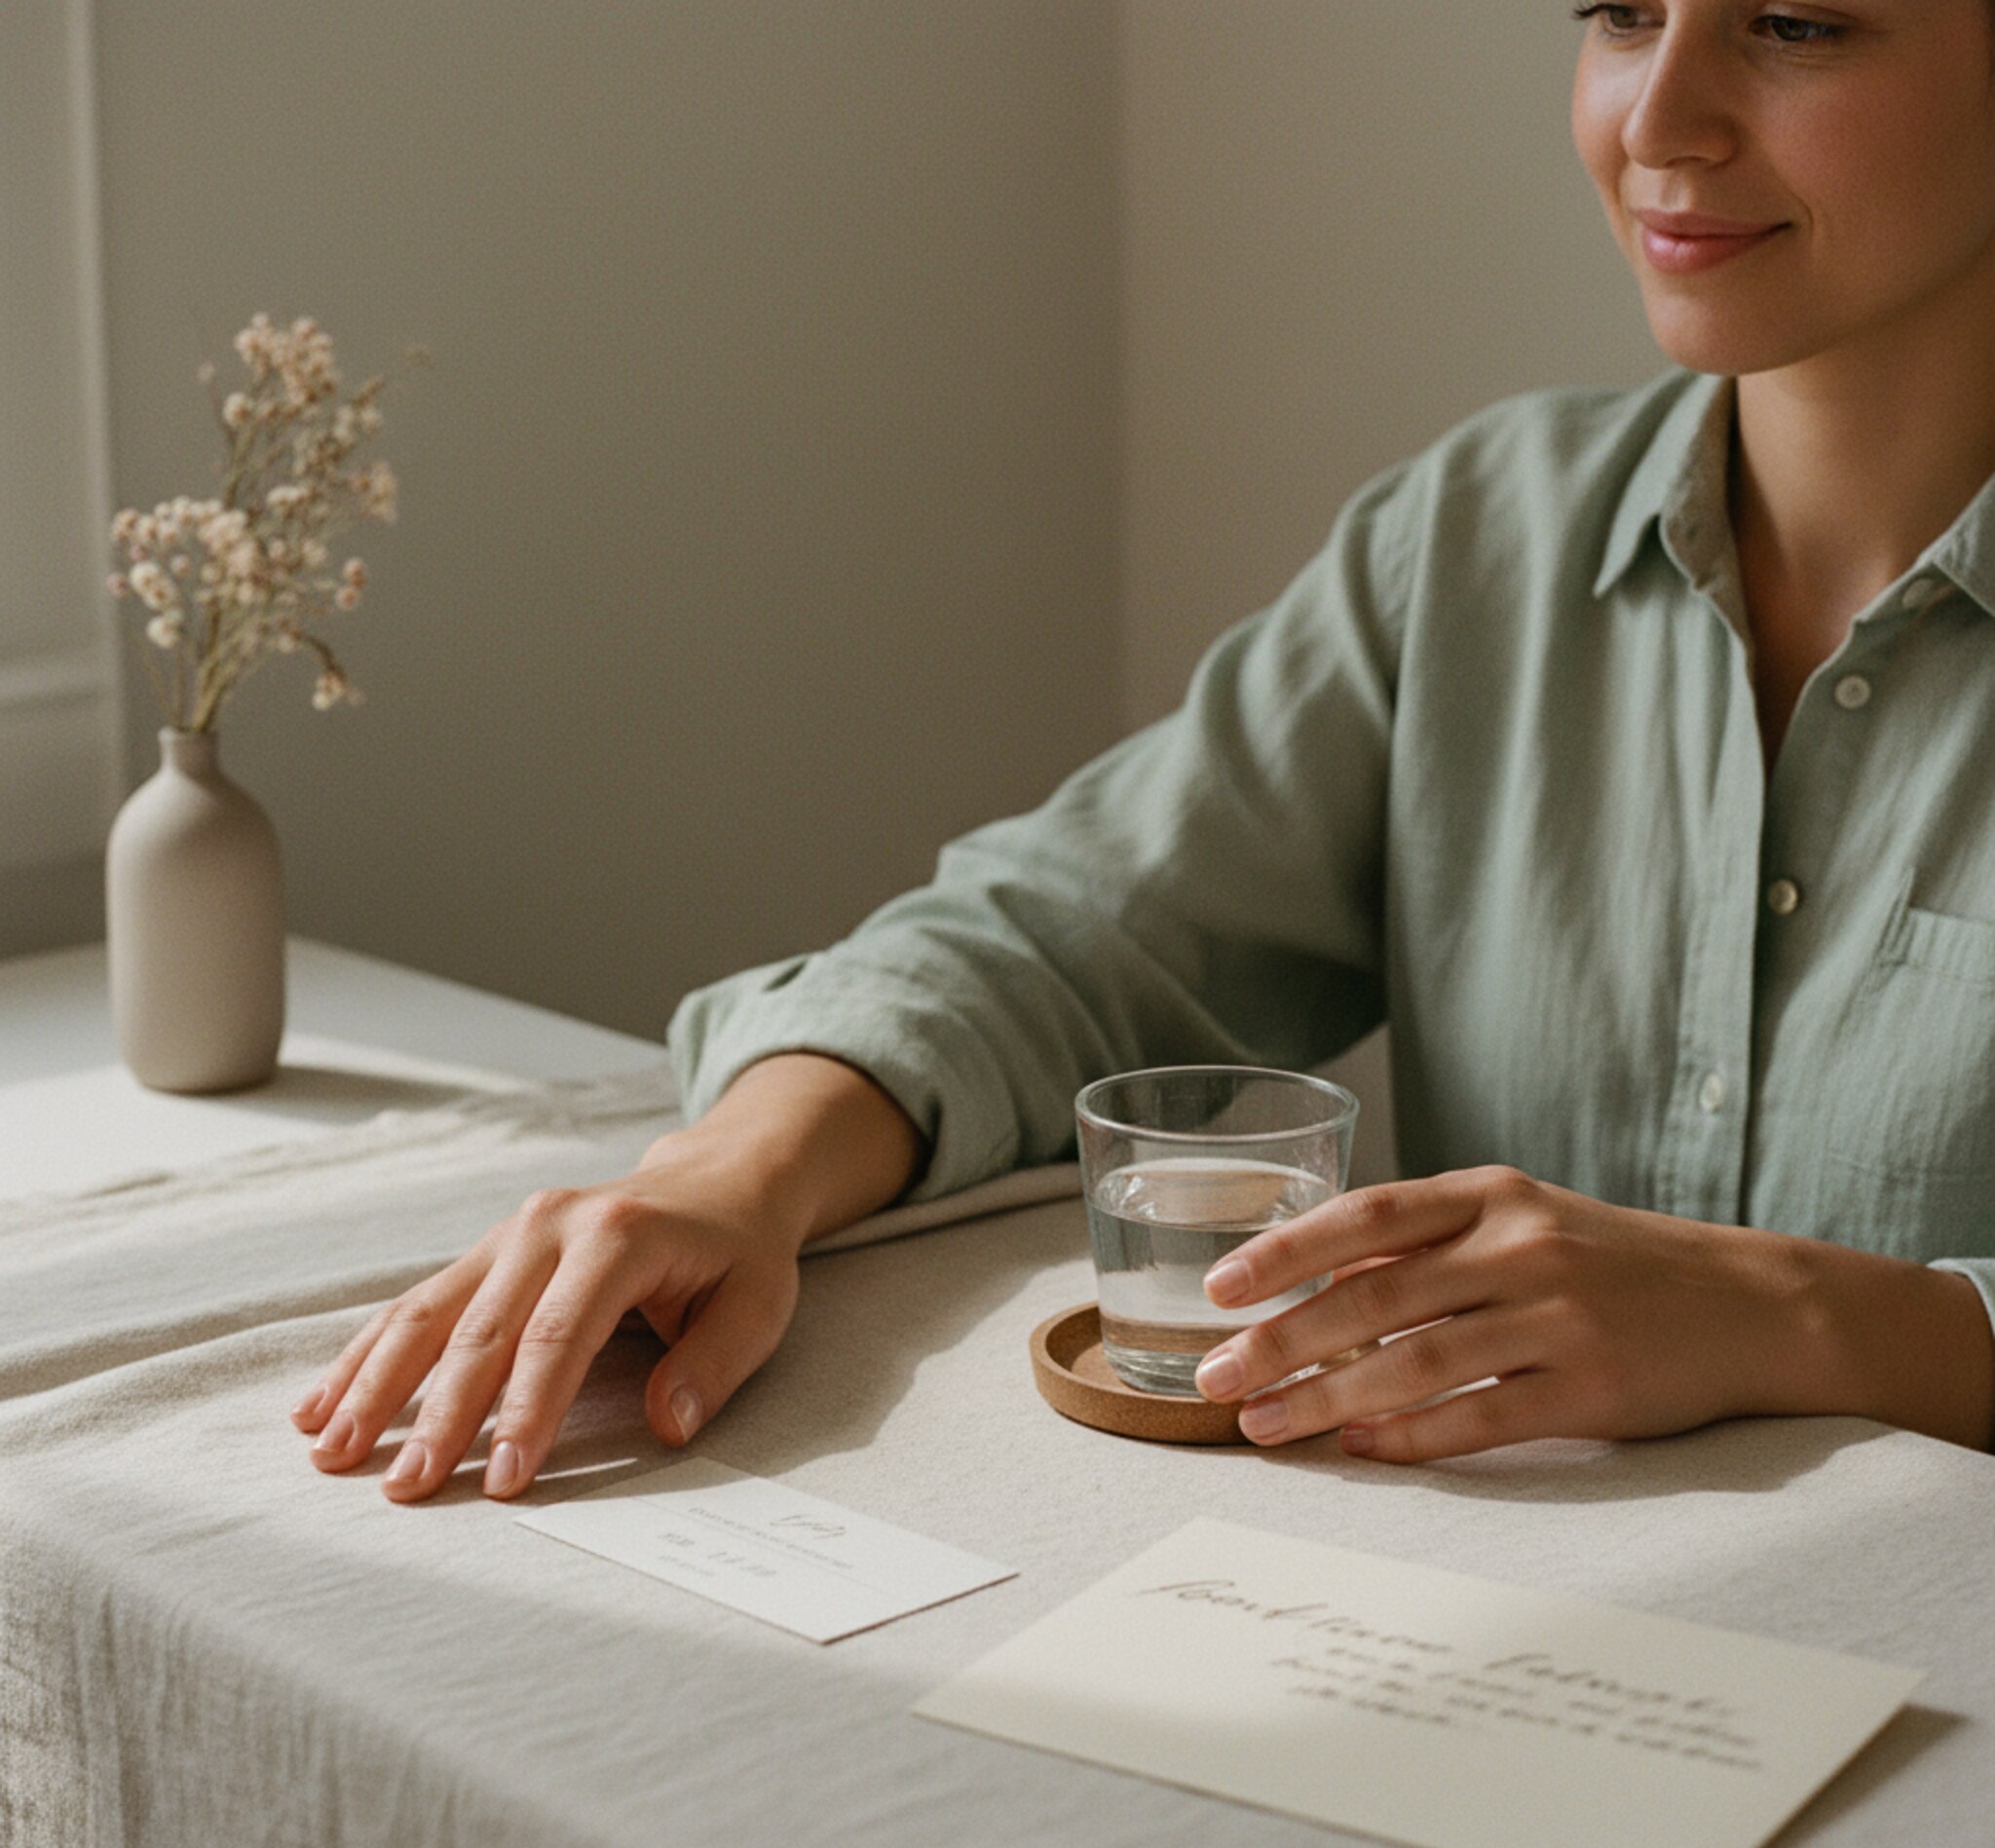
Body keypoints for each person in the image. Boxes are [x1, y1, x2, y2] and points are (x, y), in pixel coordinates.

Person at [293, 0, 1995, 1501]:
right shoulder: (1480, 541)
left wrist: (1818, 1320)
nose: (1656, 121)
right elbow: (1077, 935)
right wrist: (739, 1171)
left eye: (1797, 22)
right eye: (1619, 12)